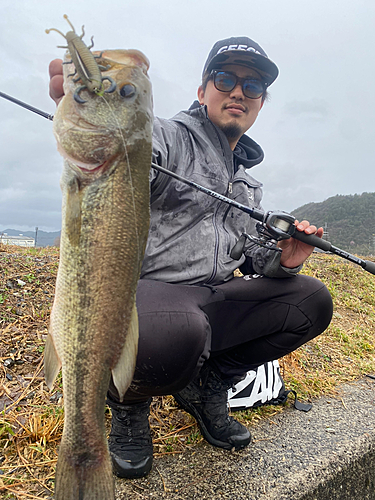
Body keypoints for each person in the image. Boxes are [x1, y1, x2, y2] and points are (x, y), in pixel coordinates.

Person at [49, 36, 333, 479]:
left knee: (311, 301)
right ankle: (129, 405)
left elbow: (254, 258)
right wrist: (99, 110)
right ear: (202, 91)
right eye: (225, 78)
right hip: (150, 299)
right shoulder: (166, 137)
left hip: (211, 297)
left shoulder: (248, 183)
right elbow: (131, 140)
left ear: (259, 104)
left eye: (252, 86)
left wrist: (287, 257)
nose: (238, 92)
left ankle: (208, 386)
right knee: (179, 326)